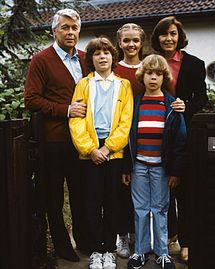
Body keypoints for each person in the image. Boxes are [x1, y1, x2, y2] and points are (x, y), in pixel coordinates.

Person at [114, 22, 185, 259]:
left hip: (162, 168)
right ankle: (141, 251)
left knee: (161, 209)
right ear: (142, 77)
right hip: (139, 166)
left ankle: (163, 252)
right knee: (141, 210)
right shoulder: (134, 104)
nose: (153, 78)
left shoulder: (171, 106)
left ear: (164, 78)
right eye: (149, 74)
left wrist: (175, 170)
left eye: (158, 75)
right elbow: (127, 138)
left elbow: (179, 141)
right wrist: (126, 166)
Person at [24, 8, 89, 262]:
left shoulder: (85, 58)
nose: (70, 32)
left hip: (83, 140)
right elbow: (31, 99)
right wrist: (66, 110)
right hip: (54, 139)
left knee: (82, 192)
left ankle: (84, 240)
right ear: (55, 31)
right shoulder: (41, 59)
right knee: (53, 197)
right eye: (65, 27)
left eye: (74, 28)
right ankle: (62, 246)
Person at [69, 37, 133, 269]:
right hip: (90, 153)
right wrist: (90, 149)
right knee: (92, 201)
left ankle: (110, 249)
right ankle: (97, 249)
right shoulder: (83, 85)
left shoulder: (123, 85)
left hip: (113, 152)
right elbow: (76, 121)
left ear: (113, 57)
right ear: (91, 59)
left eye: (107, 52)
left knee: (113, 201)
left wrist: (108, 147)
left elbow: (125, 123)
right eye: (97, 53)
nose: (102, 56)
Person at [151, 16, 208, 262]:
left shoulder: (194, 64)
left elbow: (202, 98)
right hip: (155, 133)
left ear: (179, 37)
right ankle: (170, 233)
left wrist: (188, 106)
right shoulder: (151, 63)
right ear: (158, 37)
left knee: (185, 189)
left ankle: (186, 241)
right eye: (164, 34)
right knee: (163, 189)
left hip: (183, 133)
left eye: (173, 34)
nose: (169, 38)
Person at [114, 22, 145, 259]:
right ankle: (122, 235)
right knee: (122, 191)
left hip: (146, 137)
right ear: (119, 43)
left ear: (142, 42)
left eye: (135, 40)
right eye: (126, 40)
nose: (131, 44)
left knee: (143, 192)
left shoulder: (150, 67)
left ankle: (140, 235)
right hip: (120, 136)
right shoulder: (114, 70)